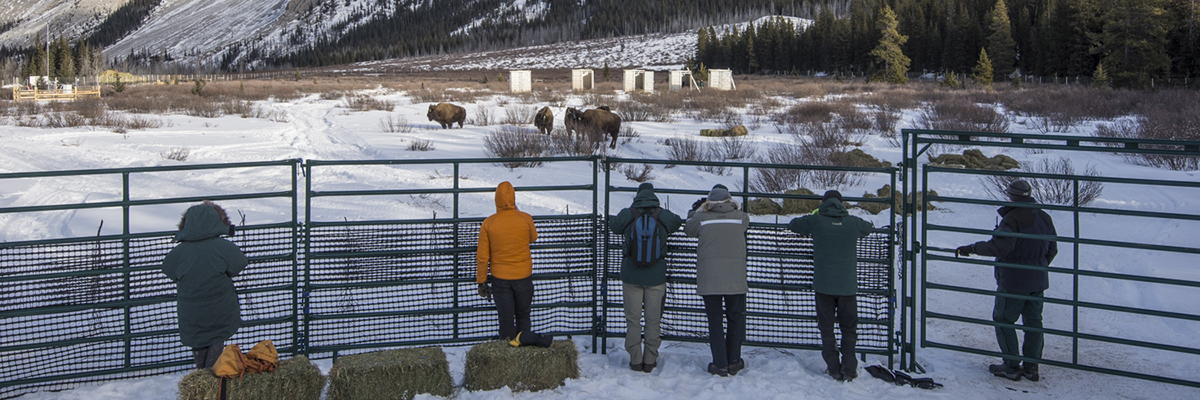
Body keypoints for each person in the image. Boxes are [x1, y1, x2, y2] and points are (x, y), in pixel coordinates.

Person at [956, 179, 1057, 382]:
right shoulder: (1044, 216)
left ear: (1010, 195)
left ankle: (1010, 366)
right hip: (1038, 278)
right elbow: (1052, 249)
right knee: (1034, 322)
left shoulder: (1013, 219)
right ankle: (1031, 367)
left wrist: (972, 248)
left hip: (1014, 279)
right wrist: (1038, 266)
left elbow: (1000, 246)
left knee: (1004, 319)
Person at [788, 190, 875, 381]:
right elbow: (869, 227)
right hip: (847, 286)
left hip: (823, 285)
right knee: (849, 328)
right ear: (842, 203)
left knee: (826, 328)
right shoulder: (852, 222)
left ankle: (833, 367)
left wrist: (815, 214)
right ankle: (850, 368)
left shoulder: (817, 220)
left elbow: (794, 225)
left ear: (823, 203)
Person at [161, 200, 248, 369]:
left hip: (191, 313)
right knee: (217, 342)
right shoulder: (223, 247)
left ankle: (202, 378)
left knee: (199, 345)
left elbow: (168, 269)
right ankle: (211, 382)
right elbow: (239, 264)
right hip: (220, 310)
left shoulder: (179, 252)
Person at [609, 182, 683, 373]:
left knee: (633, 320)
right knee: (653, 320)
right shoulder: (662, 215)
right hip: (656, 277)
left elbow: (614, 226)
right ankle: (650, 360)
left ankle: (635, 359)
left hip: (631, 275)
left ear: (637, 195)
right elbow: (677, 223)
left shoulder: (629, 213)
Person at [685, 184, 750, 377]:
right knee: (735, 319)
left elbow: (688, 229)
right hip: (735, 278)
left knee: (715, 321)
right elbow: (746, 220)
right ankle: (734, 361)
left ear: (709, 202)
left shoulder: (701, 218)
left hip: (710, 279)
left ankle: (720, 363)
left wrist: (696, 211)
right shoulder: (740, 218)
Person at [476, 181, 539, 341]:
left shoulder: (489, 223)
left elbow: (482, 257)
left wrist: (482, 281)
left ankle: (507, 352)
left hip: (500, 279)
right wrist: (516, 211)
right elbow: (533, 238)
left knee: (506, 319)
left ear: (496, 200)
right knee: (523, 315)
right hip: (524, 276)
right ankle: (523, 349)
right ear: (513, 198)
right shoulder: (525, 218)